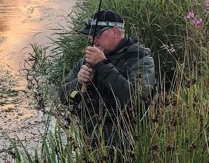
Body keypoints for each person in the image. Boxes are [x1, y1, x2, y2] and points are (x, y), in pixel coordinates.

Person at [59, 9, 156, 148]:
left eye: (97, 34)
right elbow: (62, 97)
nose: (93, 40)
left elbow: (137, 100)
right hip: (90, 141)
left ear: (115, 32)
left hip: (126, 144)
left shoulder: (141, 60)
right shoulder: (87, 59)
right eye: (91, 35)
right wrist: (79, 82)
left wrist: (102, 65)